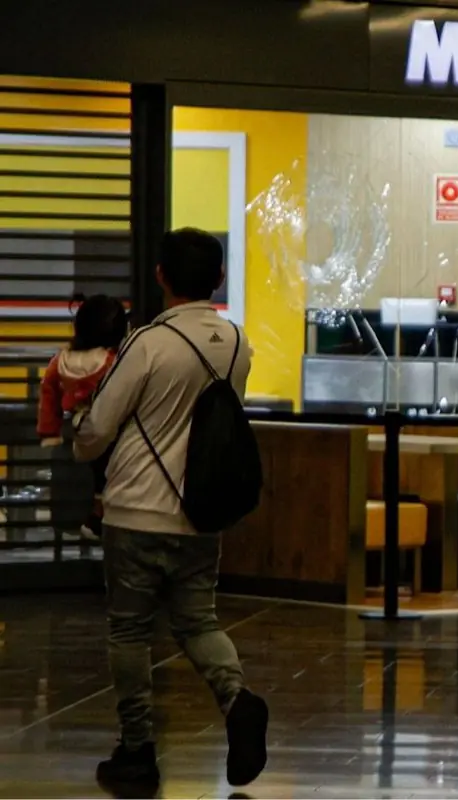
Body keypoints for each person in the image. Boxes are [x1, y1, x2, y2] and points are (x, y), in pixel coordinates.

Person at [74, 228, 269, 790]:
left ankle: (136, 751)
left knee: (130, 632)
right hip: (200, 514)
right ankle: (237, 700)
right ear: (220, 279)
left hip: (136, 510)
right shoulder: (236, 345)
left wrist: (78, 439)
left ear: (160, 277)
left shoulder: (148, 343)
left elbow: (100, 428)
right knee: (197, 621)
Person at [37, 294, 128, 540]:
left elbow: (48, 395)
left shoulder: (61, 360)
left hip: (73, 429)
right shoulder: (113, 362)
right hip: (107, 433)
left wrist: (49, 431)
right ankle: (99, 514)